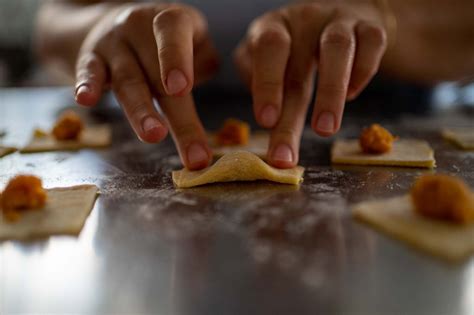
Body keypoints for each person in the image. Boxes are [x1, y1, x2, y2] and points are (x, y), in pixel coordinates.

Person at [36, 0, 474, 170]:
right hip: (141, 129)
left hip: (400, 109)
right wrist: (102, 25)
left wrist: (389, 21)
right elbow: (53, 19)